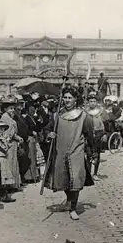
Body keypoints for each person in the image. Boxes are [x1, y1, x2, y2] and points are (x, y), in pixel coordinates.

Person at [44, 86, 95, 221]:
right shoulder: (56, 115)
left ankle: (73, 208)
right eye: (65, 97)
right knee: (64, 178)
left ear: (75, 99)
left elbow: (89, 134)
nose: (67, 100)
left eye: (70, 98)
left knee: (76, 179)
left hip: (76, 151)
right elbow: (47, 129)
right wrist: (49, 134)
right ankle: (68, 200)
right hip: (61, 151)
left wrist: (93, 151)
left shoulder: (84, 116)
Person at [0, 95, 22, 190]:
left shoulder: (10, 117)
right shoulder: (5, 118)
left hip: (13, 143)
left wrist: (18, 137)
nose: (12, 110)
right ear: (5, 109)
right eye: (10, 108)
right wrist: (15, 138)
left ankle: (14, 184)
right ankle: (10, 185)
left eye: (13, 108)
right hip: (9, 144)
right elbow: (7, 133)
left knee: (13, 162)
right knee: (10, 163)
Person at [85, 92, 109, 180]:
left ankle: (95, 173)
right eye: (90, 101)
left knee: (97, 155)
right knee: (88, 155)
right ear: (88, 102)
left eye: (94, 101)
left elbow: (107, 124)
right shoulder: (85, 112)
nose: (92, 103)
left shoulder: (101, 112)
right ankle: (88, 175)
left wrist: (105, 134)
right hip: (88, 135)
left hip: (99, 135)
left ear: (96, 102)